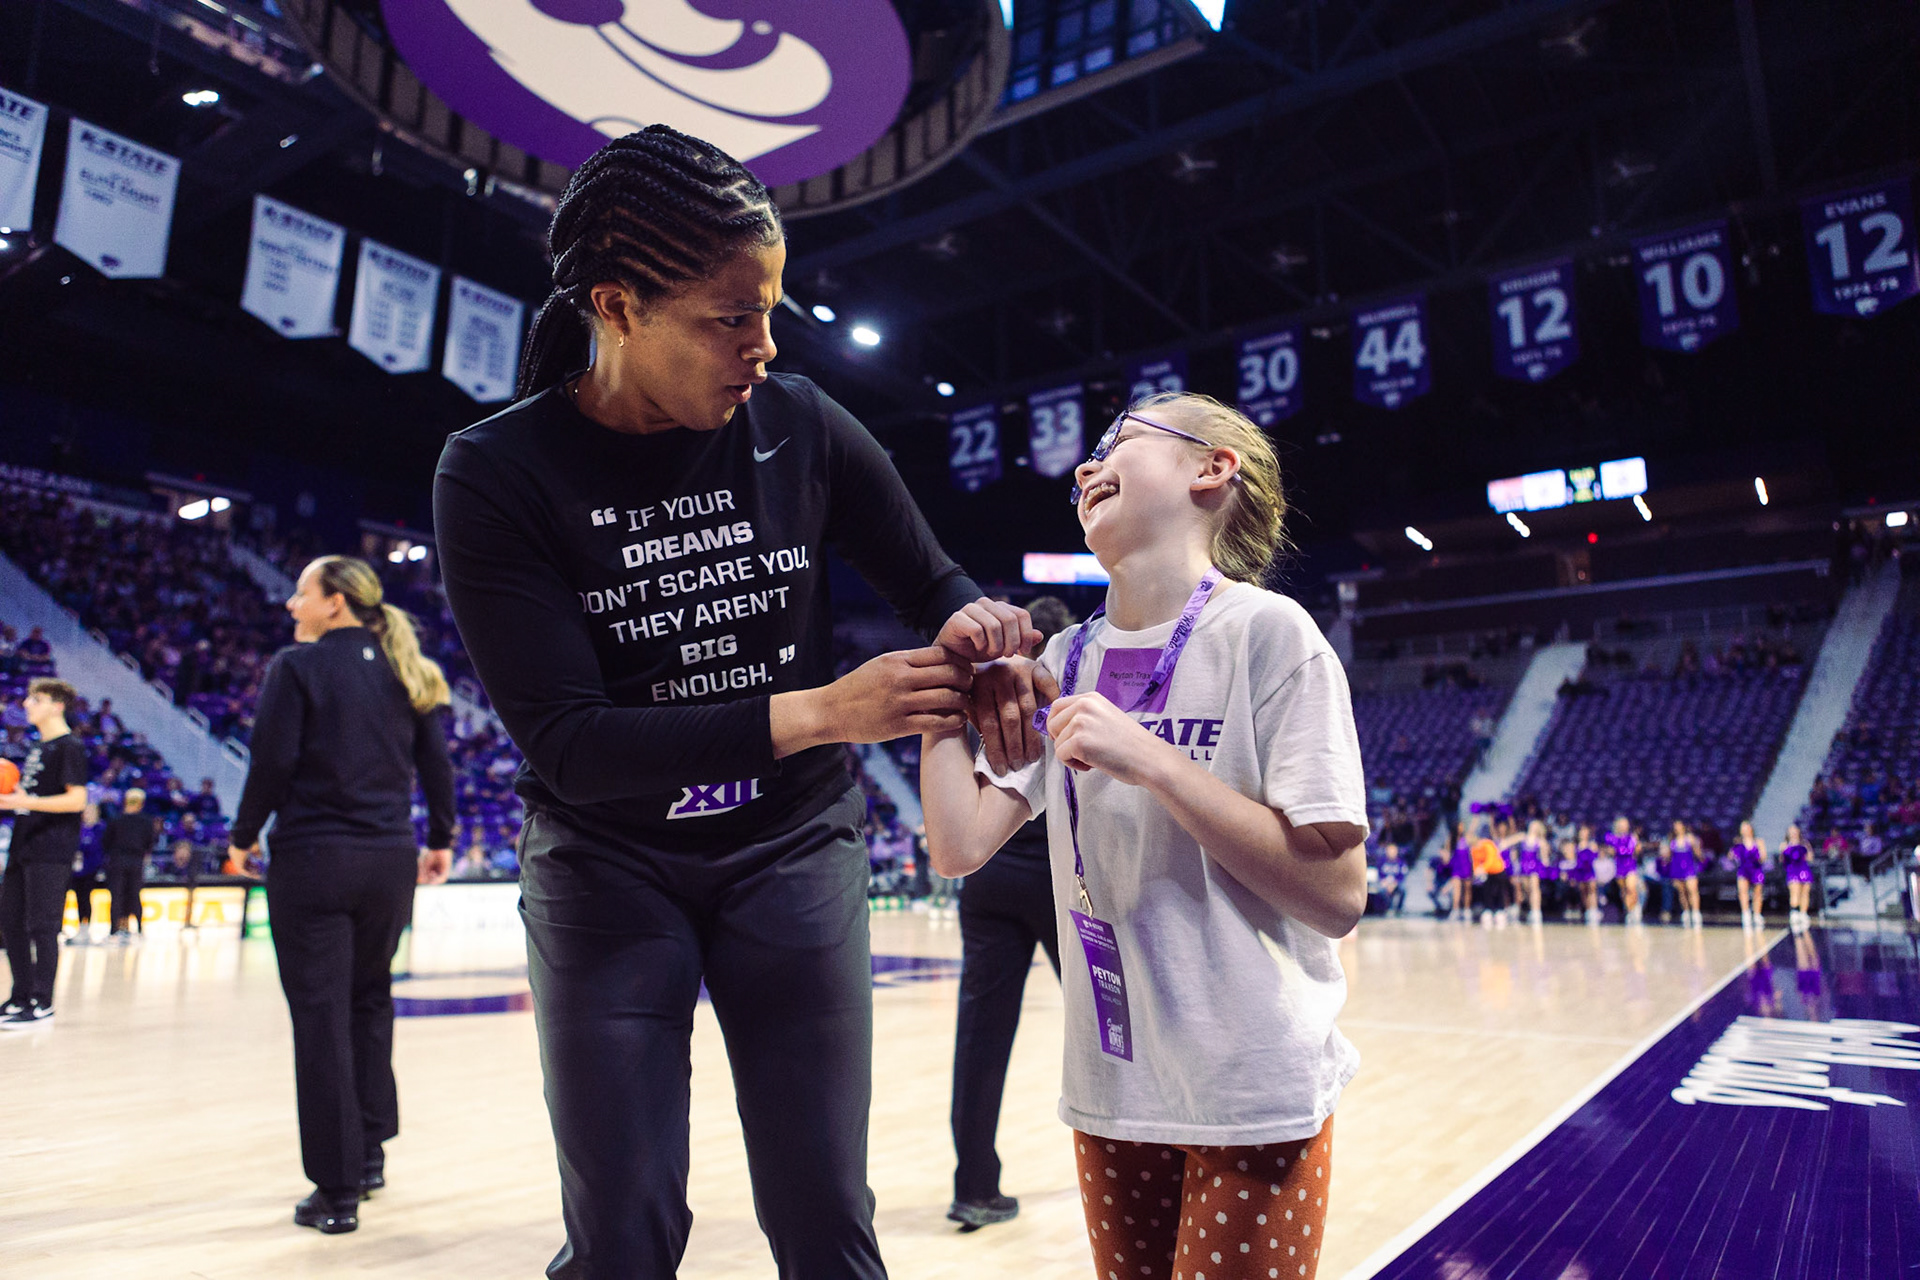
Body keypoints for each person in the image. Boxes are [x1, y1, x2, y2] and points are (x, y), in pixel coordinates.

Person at [431, 125, 1043, 1280]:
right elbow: (573, 745)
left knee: (826, 1221)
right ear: (615, 305)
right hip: (610, 864)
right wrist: (817, 710)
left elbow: (934, 579)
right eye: (728, 317)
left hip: (790, 846)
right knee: (623, 1232)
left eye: (771, 309)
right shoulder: (496, 469)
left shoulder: (799, 421)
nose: (762, 346)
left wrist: (979, 629)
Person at [920, 392, 1368, 1280]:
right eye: (1088, 458)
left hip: (1251, 1089)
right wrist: (946, 700)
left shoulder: (1271, 636)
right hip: (1114, 1088)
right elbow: (959, 844)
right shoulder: (1060, 662)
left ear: (1212, 469)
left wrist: (1155, 760)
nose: (1087, 466)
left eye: (1119, 443)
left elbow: (1338, 895)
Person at [225, 556, 457, 1236]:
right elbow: (436, 767)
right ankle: (372, 1150)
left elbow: (272, 763)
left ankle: (337, 1188)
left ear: (334, 603)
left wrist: (242, 837)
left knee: (322, 1019)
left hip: (315, 860)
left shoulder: (295, 669)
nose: (291, 604)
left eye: (301, 594)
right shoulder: (404, 669)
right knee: (369, 1000)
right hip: (388, 861)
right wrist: (440, 837)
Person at [946, 595, 1075, 1231]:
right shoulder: (1064, 681)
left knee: (981, 1037)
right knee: (1100, 1020)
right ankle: (1133, 1155)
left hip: (987, 873)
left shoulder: (987, 686)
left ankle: (974, 1186)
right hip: (1052, 874)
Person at [0, 678, 90, 1027]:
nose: (26, 704)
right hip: (24, 844)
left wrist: (25, 800)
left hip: (51, 849)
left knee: (43, 925)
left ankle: (43, 1001)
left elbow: (77, 799)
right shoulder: (39, 748)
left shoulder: (71, 747)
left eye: (35, 699)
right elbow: (34, 798)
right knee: (9, 922)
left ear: (56, 705)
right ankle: (20, 995)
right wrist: (15, 798)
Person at [101, 789, 158, 941]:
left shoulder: (116, 819)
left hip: (119, 860)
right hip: (134, 860)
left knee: (119, 895)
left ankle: (115, 930)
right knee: (133, 894)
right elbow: (150, 843)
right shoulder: (145, 821)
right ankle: (138, 929)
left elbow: (106, 842)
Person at [1663, 820, 1704, 927]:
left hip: (1689, 868)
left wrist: (1697, 848)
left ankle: (1696, 912)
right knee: (1682, 892)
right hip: (1677, 868)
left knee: (1692, 890)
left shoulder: (1689, 838)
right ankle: (1686, 911)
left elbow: (1698, 853)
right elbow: (1668, 856)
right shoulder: (1672, 841)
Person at [1729, 820, 1768, 929]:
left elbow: (1763, 857)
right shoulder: (1738, 843)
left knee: (1757, 893)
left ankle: (1757, 914)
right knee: (1743, 891)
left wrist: (1758, 855)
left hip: (1756, 869)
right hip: (1743, 870)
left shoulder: (1758, 841)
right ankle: (1745, 914)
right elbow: (1731, 856)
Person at [1604, 815, 1642, 924]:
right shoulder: (1612, 838)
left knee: (1631, 888)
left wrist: (1636, 848)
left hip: (1630, 866)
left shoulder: (1632, 837)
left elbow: (1635, 851)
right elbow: (1610, 851)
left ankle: (1635, 908)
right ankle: (1629, 910)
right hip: (1619, 867)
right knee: (1624, 890)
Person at [1780, 822, 1815, 931]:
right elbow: (1782, 860)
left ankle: (1803, 913)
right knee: (1795, 891)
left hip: (1803, 869)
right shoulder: (1784, 845)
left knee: (1805, 892)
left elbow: (1810, 857)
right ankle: (1794, 912)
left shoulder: (1804, 843)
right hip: (1792, 870)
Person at [1570, 825, 1600, 924]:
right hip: (1580, 871)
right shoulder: (1576, 846)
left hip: (1589, 871)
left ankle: (1594, 910)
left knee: (1592, 890)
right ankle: (1587, 910)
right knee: (1584, 891)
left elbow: (1596, 857)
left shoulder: (1592, 844)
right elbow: (1574, 860)